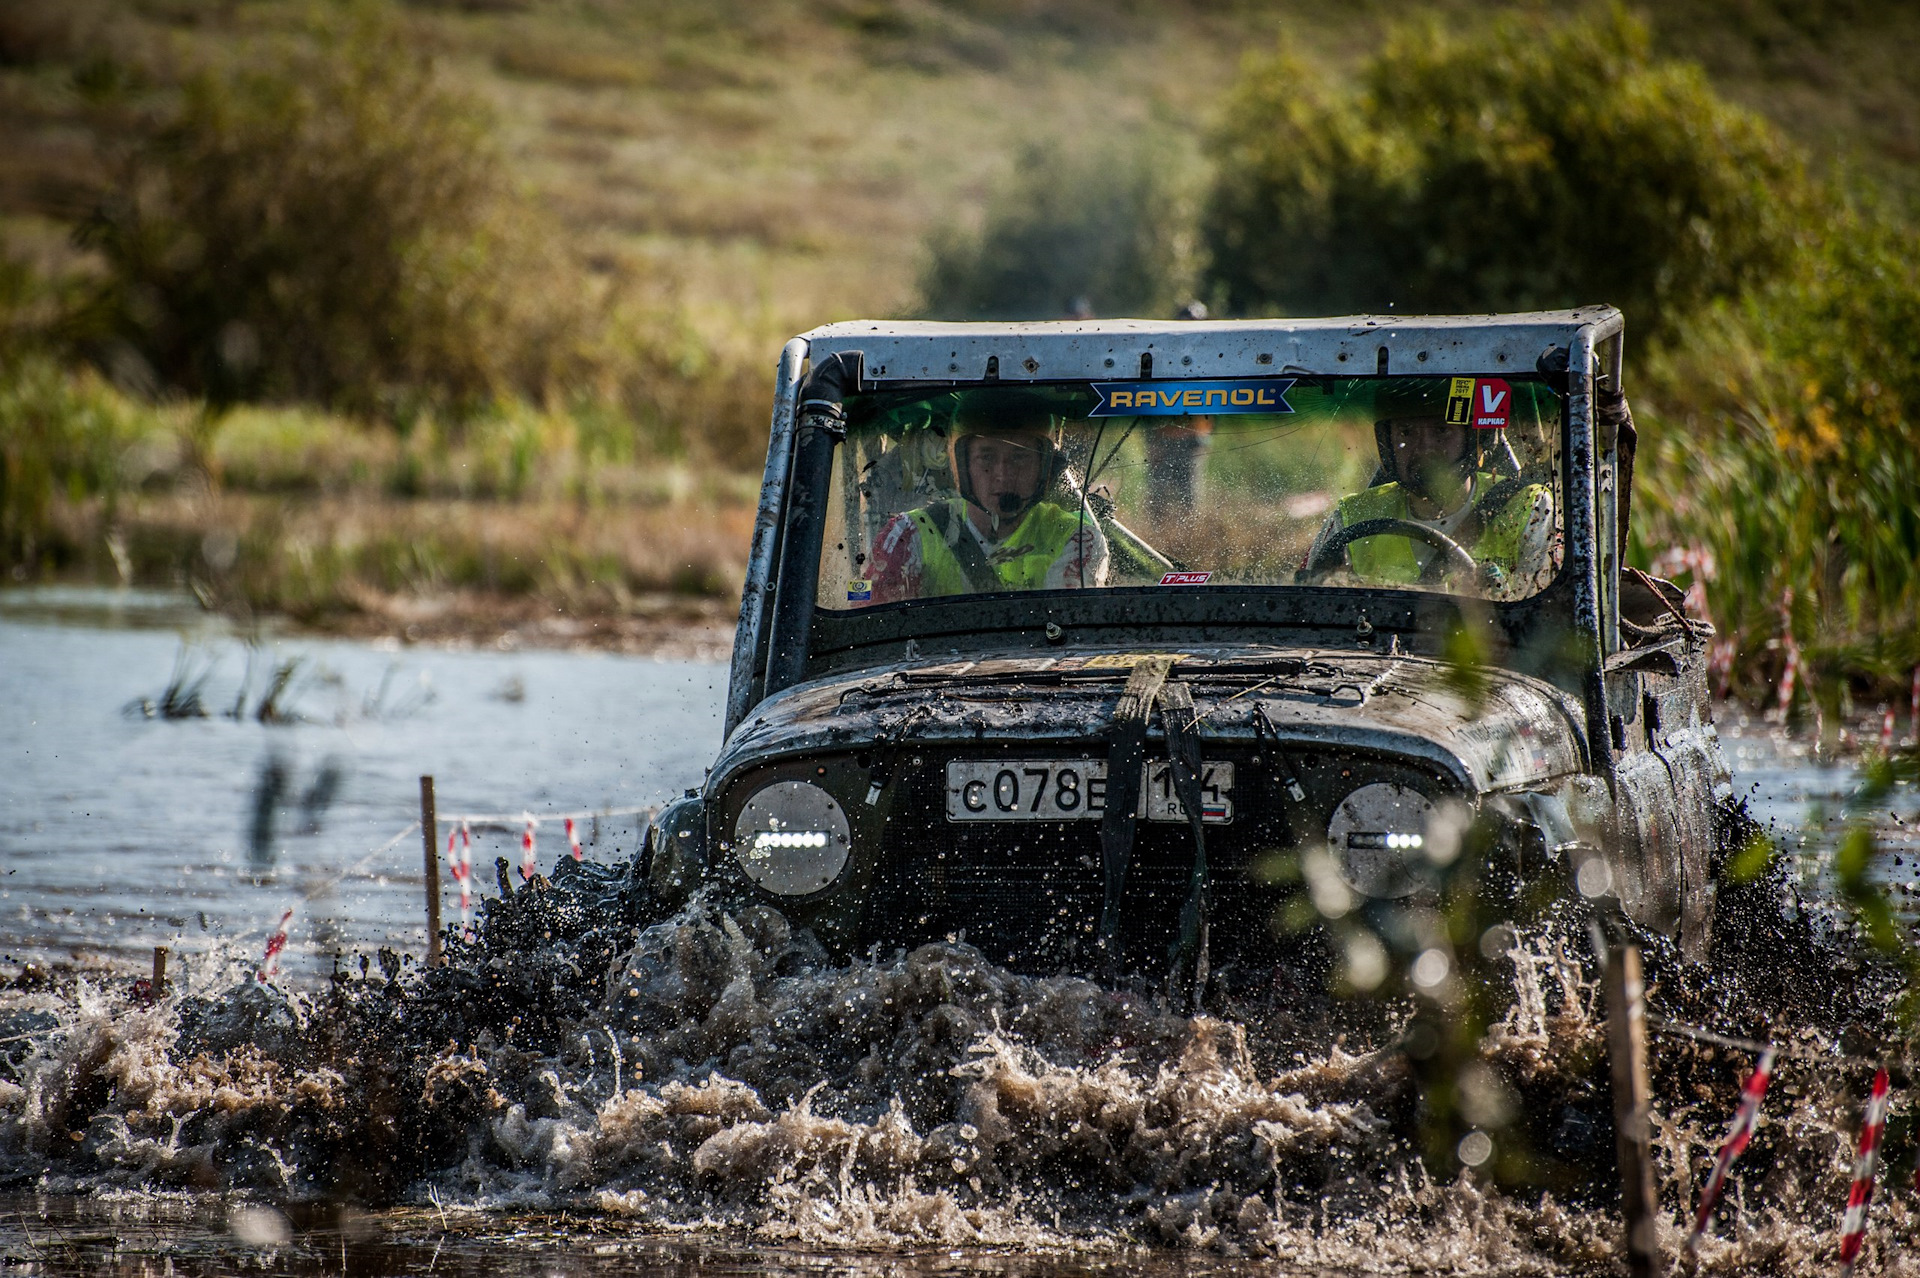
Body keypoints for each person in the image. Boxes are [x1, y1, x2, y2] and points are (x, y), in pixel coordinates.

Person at [1304, 381, 1555, 595]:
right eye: (1406, 432)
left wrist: (1501, 602)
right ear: (1386, 444)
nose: (1424, 449)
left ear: (1475, 438)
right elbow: (1312, 607)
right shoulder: (1352, 515)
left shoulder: (1528, 507)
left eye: (1442, 431)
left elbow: (1545, 625)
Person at [865, 393, 1109, 604]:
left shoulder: (1076, 539)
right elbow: (872, 630)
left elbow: (1065, 631)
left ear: (1043, 468)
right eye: (987, 457)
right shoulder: (909, 536)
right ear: (961, 465)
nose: (1002, 475)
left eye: (1019, 457)